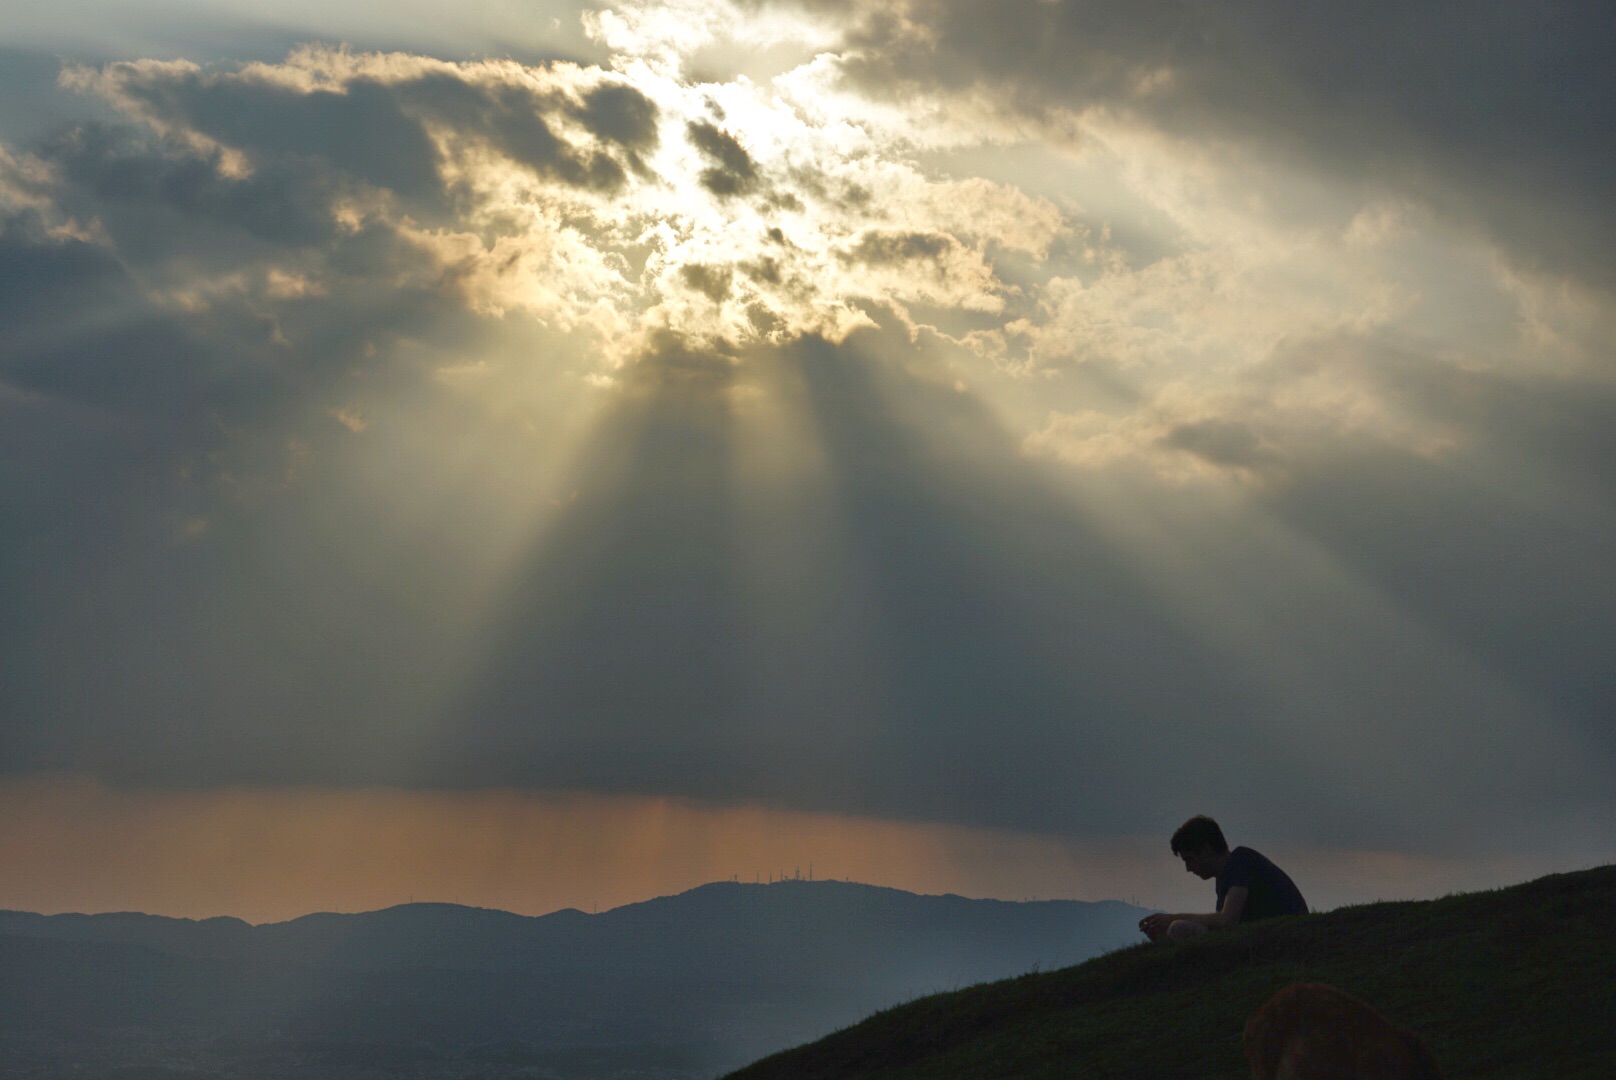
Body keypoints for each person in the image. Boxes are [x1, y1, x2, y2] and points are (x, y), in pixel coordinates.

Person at [1139, 815, 1307, 942]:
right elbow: (1223, 928)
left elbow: (1227, 921)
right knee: (1178, 929)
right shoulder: (1225, 877)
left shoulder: (1241, 861)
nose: (1188, 869)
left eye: (1189, 859)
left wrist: (1172, 920)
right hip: (1269, 938)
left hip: (1288, 938)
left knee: (1180, 927)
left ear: (1206, 850)